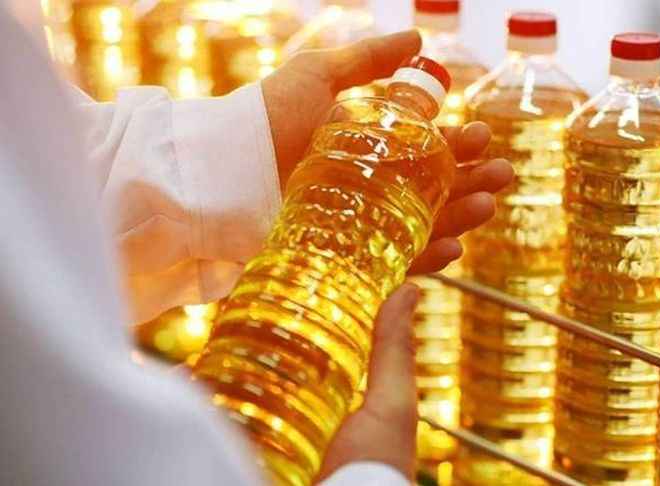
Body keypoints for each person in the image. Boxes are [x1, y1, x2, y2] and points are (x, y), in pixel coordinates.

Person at [0, 2, 513, 485]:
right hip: (284, 414)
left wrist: (252, 143)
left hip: (243, 380)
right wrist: (368, 474)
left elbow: (29, 190)